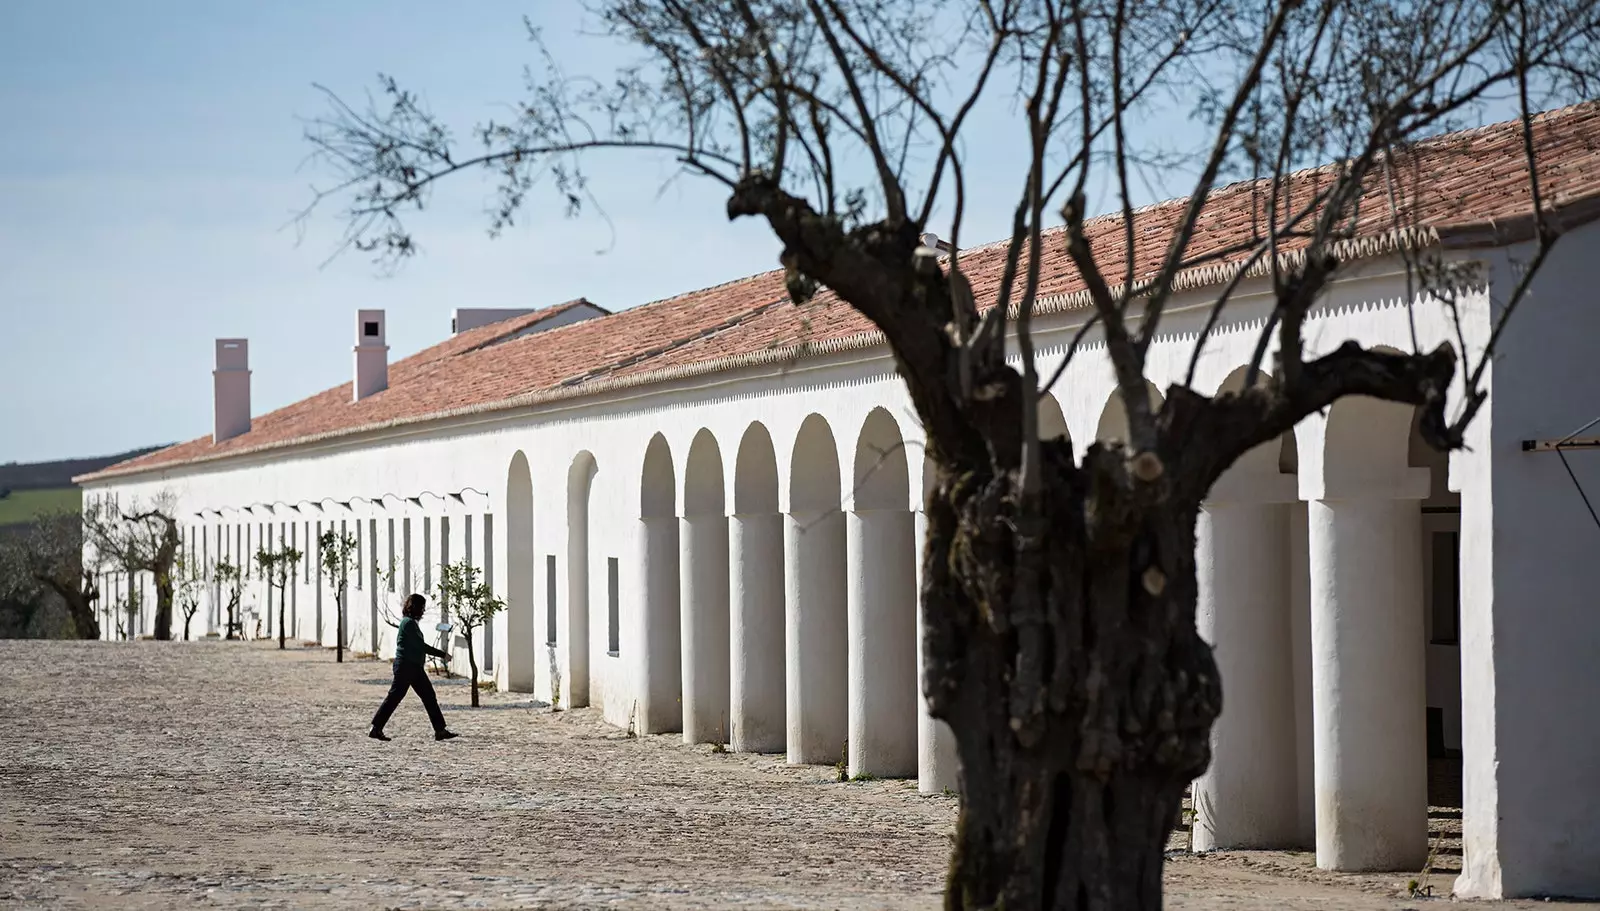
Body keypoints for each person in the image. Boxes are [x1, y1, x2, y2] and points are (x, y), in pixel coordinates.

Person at [369, 593, 459, 742]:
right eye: (421, 608)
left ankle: (440, 730)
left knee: (429, 696)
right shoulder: (408, 623)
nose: (423, 611)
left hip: (414, 667)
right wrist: (442, 654)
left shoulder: (410, 623)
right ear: (414, 607)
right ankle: (376, 727)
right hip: (406, 666)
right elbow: (420, 646)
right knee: (394, 697)